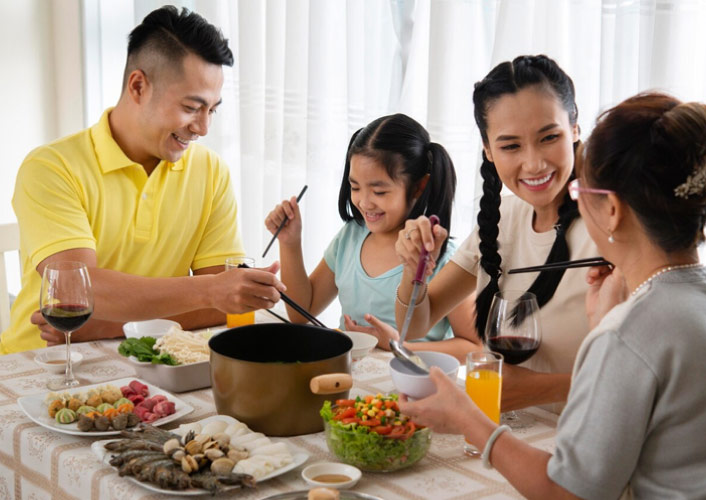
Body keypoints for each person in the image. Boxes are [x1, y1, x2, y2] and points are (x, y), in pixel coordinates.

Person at [399, 92, 706, 499]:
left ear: (611, 210)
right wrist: (602, 323)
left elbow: (567, 492)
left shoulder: (628, 332)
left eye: (582, 196)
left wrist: (469, 419)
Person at [2, 6, 286, 354]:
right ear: (138, 86)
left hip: (148, 358)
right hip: (45, 362)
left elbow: (224, 304)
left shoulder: (211, 172)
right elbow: (78, 290)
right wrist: (210, 289)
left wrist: (112, 325)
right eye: (191, 107)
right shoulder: (51, 168)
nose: (203, 127)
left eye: (212, 109)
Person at [395, 55, 597, 409]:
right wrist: (414, 273)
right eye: (511, 146)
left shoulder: (612, 229)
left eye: (549, 137)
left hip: (583, 436)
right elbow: (415, 325)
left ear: (575, 129)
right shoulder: (501, 217)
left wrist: (537, 390)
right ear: (488, 150)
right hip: (499, 428)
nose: (534, 163)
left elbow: (647, 377)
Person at [264, 114, 480, 360]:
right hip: (350, 383)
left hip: (409, 388)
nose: (364, 202)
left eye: (379, 191)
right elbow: (302, 311)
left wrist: (397, 345)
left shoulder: (441, 258)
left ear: (419, 187)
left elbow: (473, 346)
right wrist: (290, 242)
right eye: (355, 187)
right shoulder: (351, 237)